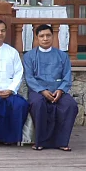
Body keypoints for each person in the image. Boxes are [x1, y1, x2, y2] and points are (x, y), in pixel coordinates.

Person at [24, 24, 78, 152]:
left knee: (70, 105)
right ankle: (40, 142)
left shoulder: (62, 56)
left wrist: (60, 90)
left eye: (48, 35)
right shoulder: (29, 56)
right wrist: (42, 91)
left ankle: (62, 142)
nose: (45, 38)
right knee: (38, 104)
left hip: (58, 91)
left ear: (53, 37)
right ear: (37, 38)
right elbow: (29, 77)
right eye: (42, 36)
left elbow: (67, 76)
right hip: (38, 91)